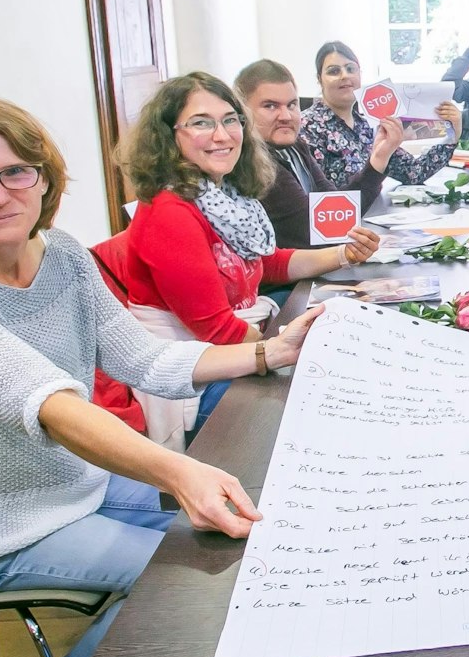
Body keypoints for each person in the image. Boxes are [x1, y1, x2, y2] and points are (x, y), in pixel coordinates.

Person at [0, 94, 327, 657]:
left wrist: (270, 353)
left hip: (71, 490)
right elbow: (53, 406)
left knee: (241, 536)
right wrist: (180, 471)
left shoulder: (57, 255)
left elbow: (142, 359)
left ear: (42, 176)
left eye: (14, 172)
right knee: (191, 583)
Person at [95, 71, 379, 447]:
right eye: (201, 123)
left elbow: (267, 264)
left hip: (236, 346)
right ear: (168, 135)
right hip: (196, 382)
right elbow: (219, 333)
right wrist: (289, 347)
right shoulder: (170, 212)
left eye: (231, 120)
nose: (223, 135)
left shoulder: (222, 194)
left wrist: (343, 254)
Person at [298, 42, 463, 207]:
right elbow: (321, 199)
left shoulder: (367, 125)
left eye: (351, 69)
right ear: (320, 79)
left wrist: (452, 134)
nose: (344, 76)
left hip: (374, 220)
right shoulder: (307, 126)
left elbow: (413, 173)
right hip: (340, 222)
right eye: (334, 71)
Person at [234, 58, 321, 250]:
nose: (286, 116)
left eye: (291, 105)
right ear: (242, 111)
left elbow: (339, 204)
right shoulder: (254, 161)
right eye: (270, 106)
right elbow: (314, 230)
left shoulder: (296, 147)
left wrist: (379, 160)